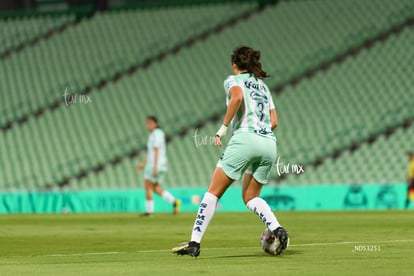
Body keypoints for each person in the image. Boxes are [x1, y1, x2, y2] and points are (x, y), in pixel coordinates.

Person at [172, 46, 288, 257]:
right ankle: (277, 229)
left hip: (245, 139)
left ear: (234, 64)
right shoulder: (263, 87)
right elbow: (274, 121)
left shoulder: (233, 80)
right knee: (251, 197)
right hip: (269, 143)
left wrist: (223, 128)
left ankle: (194, 243)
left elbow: (236, 98)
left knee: (213, 192)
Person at [136, 116, 180, 216]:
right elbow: (151, 151)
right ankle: (174, 202)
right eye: (147, 123)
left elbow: (156, 150)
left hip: (155, 165)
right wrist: (143, 163)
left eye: (150, 123)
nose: (148, 125)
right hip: (161, 164)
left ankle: (149, 212)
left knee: (147, 187)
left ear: (156, 123)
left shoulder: (155, 134)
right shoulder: (158, 134)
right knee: (155, 188)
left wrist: (155, 167)